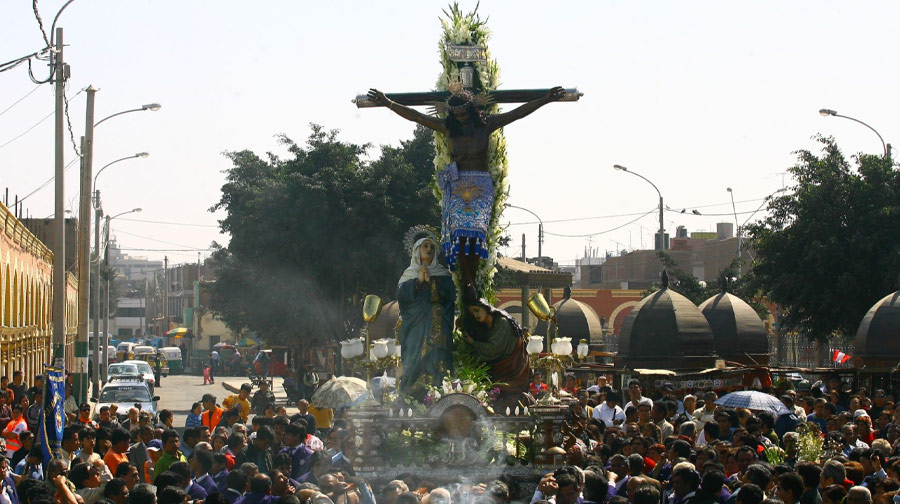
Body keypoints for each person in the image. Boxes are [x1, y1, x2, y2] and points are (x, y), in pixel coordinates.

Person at [367, 85, 565, 286]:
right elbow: (416, 116)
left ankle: (470, 279)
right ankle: (467, 281)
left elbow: (518, 113)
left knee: (476, 234)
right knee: (460, 236)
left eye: (463, 114)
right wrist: (387, 103)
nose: (460, 118)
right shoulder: (448, 128)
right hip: (458, 185)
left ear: (470, 110)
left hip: (480, 185)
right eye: (457, 115)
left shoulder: (486, 125)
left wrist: (545, 99)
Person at [396, 236, 455, 394]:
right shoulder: (409, 275)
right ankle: (413, 394)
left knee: (438, 359)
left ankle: (439, 392)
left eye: (432, 247)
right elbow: (402, 297)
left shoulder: (443, 274)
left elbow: (450, 297)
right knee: (414, 358)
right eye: (425, 246)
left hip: (438, 326)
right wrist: (417, 283)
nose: (429, 249)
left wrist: (431, 283)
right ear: (417, 251)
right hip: (415, 328)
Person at [462, 292, 532, 409]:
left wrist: (473, 343)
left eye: (476, 310)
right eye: (473, 313)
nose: (475, 315)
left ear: (485, 307)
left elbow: (494, 349)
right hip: (502, 368)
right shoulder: (489, 325)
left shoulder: (501, 322)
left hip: (512, 370)